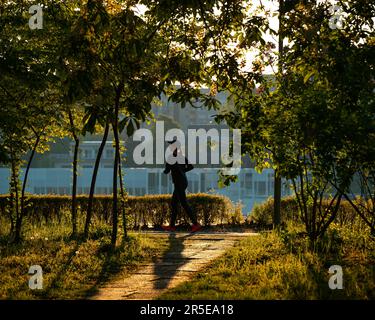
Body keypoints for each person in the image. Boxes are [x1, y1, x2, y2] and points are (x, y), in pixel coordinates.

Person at [162, 139, 202, 233]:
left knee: (183, 203)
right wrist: (183, 171)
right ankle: (172, 226)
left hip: (179, 183)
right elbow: (191, 167)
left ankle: (196, 224)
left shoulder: (171, 158)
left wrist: (165, 170)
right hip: (183, 182)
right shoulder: (182, 157)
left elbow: (166, 171)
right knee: (174, 203)